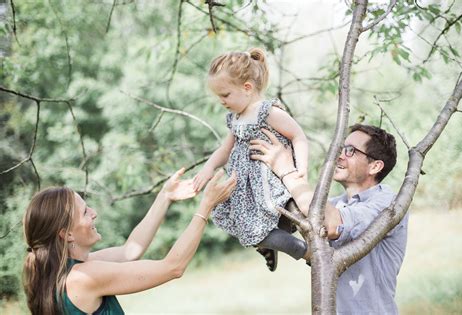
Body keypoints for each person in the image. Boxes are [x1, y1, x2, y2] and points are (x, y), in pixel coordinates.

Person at [23, 168, 236, 315]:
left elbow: (130, 251)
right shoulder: (83, 277)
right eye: (85, 212)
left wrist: (165, 195)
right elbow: (173, 267)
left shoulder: (68, 271)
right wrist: (205, 206)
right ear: (66, 234)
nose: (94, 213)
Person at [250, 124, 408, 314]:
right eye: (341, 148)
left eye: (350, 151)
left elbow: (331, 224)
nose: (339, 155)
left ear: (375, 166)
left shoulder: (387, 203)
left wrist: (288, 171)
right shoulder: (337, 204)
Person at [192, 48, 309, 271]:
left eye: (225, 95)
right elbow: (225, 149)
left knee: (264, 229)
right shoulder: (235, 118)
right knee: (245, 228)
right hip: (247, 190)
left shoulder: (268, 111)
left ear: (247, 88)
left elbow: (298, 135)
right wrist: (208, 168)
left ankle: (305, 251)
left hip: (270, 182)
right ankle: (267, 246)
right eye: (218, 96)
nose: (221, 101)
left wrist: (301, 168)